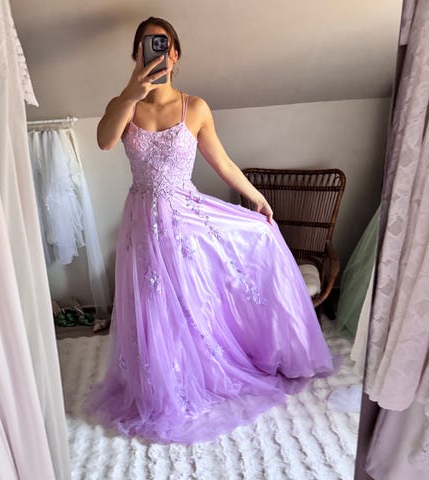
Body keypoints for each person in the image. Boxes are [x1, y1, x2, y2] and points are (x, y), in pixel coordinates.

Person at [86, 17, 336, 444]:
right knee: (151, 302)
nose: (156, 52)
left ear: (175, 54)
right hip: (141, 221)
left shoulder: (195, 107)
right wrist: (131, 92)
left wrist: (256, 197)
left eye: (163, 45)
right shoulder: (123, 104)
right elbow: (105, 141)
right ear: (136, 55)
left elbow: (223, 162)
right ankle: (161, 382)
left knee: (191, 300)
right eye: (146, 45)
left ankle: (199, 372)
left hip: (184, 217)